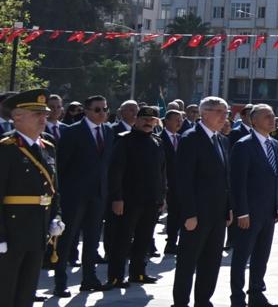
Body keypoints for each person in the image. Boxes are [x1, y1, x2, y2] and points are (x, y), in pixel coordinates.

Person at [0, 90, 66, 307]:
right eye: (37, 115)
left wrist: (56, 216)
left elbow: (54, 189)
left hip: (37, 228)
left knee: (26, 288)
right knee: (5, 289)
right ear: (17, 117)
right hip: (12, 230)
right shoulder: (5, 148)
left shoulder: (47, 146)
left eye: (44, 115)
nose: (44, 119)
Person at [171, 97, 233, 307]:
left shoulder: (222, 141)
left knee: (211, 261)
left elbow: (225, 180)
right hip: (196, 214)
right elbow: (184, 180)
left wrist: (228, 209)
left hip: (217, 214)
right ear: (204, 113)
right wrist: (188, 214)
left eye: (226, 112)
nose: (224, 117)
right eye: (219, 112)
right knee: (188, 262)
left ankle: (203, 306)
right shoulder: (191, 139)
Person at [53, 93, 113, 294]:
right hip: (75, 195)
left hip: (98, 193)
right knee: (68, 238)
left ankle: (89, 277)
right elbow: (63, 165)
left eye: (105, 109)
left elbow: (108, 164)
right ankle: (60, 281)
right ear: (87, 111)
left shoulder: (108, 131)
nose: (102, 113)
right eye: (97, 109)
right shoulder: (73, 132)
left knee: (93, 238)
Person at [229, 103, 278, 307]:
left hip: (268, 212)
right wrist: (241, 211)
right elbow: (237, 182)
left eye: (272, 116)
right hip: (249, 213)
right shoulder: (244, 145)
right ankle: (237, 298)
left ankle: (257, 294)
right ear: (253, 121)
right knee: (242, 256)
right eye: (267, 117)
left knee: (262, 255)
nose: (272, 120)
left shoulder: (274, 145)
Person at [106, 106, 166, 287]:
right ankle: (116, 276)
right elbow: (116, 172)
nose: (148, 123)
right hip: (129, 200)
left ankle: (138, 272)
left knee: (144, 238)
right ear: (137, 120)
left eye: (152, 120)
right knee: (122, 239)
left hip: (151, 200)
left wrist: (162, 197)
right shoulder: (124, 141)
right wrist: (117, 197)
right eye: (145, 119)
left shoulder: (157, 141)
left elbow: (161, 173)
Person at [159, 109, 184, 256]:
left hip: (178, 184)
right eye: (176, 120)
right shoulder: (159, 138)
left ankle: (172, 242)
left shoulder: (182, 138)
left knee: (176, 214)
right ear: (166, 121)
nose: (179, 123)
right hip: (164, 182)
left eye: (181, 120)